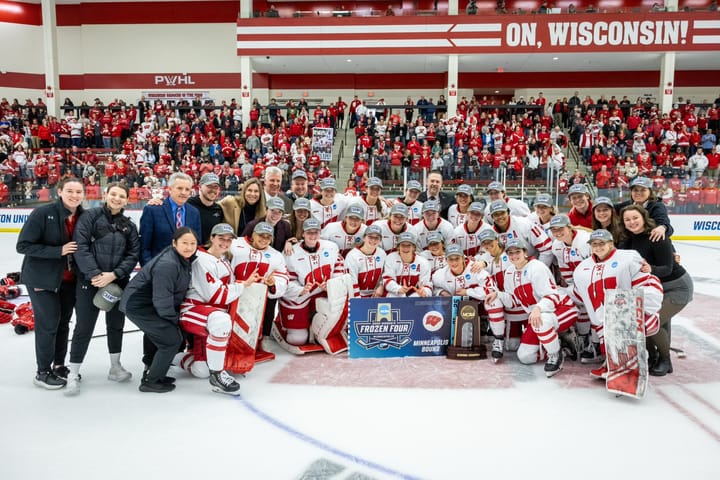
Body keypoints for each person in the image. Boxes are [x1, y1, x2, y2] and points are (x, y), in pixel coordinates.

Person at [64, 182, 140, 396]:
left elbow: (133, 254)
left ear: (127, 200)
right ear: (106, 195)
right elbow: (81, 246)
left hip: (116, 283)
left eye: (121, 196)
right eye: (113, 194)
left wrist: (114, 275)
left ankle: (115, 367)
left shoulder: (129, 225)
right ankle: (73, 373)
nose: (117, 198)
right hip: (90, 282)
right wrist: (95, 274)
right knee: (84, 327)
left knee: (116, 324)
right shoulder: (90, 217)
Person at [16, 177, 85, 389]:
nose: (75, 195)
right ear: (60, 192)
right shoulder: (42, 213)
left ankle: (59, 365)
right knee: (48, 324)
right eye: (70, 191)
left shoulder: (84, 216)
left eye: (79, 192)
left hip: (69, 279)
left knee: (63, 322)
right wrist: (58, 251)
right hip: (42, 279)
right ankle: (42, 371)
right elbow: (23, 245)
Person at [176, 223, 260, 394]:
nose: (225, 242)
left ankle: (181, 359)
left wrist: (242, 284)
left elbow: (225, 291)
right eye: (221, 238)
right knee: (221, 321)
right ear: (212, 238)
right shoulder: (202, 259)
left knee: (201, 370)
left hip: (212, 312)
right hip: (193, 309)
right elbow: (216, 296)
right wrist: (242, 285)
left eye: (229, 240)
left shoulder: (223, 258)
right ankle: (217, 374)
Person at [571, 229, 663, 379]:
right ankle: (613, 363)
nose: (598, 247)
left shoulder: (629, 257)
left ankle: (634, 358)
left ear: (611, 243)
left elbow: (646, 281)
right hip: (602, 325)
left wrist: (633, 303)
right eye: (594, 244)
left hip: (630, 317)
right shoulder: (582, 268)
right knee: (610, 352)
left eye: (602, 243)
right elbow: (578, 294)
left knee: (622, 341)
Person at [120, 227, 198, 393]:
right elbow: (162, 300)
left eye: (193, 243)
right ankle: (151, 381)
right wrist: (174, 320)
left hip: (151, 304)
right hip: (138, 305)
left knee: (163, 335)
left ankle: (156, 373)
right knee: (170, 339)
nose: (189, 247)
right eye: (184, 243)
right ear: (174, 243)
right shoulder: (168, 264)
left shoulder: (182, 259)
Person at [485, 239, 578, 377]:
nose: (514, 255)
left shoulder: (537, 267)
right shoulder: (509, 272)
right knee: (525, 356)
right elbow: (513, 301)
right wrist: (498, 294)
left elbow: (552, 296)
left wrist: (538, 308)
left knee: (543, 322)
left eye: (518, 252)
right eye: (510, 253)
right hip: (538, 315)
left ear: (525, 252)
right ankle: (561, 345)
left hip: (561, 307)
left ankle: (555, 355)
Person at [619, 205, 693, 376]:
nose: (632, 222)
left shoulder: (657, 236)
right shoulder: (628, 241)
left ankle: (665, 359)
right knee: (652, 323)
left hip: (676, 287)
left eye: (635, 218)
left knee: (652, 323)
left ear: (644, 217)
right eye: (627, 219)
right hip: (654, 289)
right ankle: (653, 356)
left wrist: (649, 268)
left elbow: (667, 268)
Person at [274, 218, 349, 352]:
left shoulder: (331, 247)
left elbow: (339, 268)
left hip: (324, 292)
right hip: (300, 296)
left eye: (315, 232)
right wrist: (300, 290)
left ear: (320, 234)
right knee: (297, 339)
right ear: (303, 234)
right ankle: (282, 323)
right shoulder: (291, 253)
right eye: (309, 233)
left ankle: (314, 330)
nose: (312, 236)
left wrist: (331, 285)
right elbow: (286, 279)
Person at [230, 221, 289, 364]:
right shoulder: (234, 245)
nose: (264, 239)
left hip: (257, 299)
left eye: (268, 237)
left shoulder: (275, 256)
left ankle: (253, 346)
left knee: (251, 328)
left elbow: (284, 277)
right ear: (253, 235)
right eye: (261, 235)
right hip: (233, 294)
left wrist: (273, 283)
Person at [139, 172, 201, 266]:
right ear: (170, 189)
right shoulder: (153, 210)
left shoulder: (194, 212)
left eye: (187, 189)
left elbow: (197, 243)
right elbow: (144, 246)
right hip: (158, 269)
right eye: (179, 188)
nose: (184, 192)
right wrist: (149, 271)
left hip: (185, 270)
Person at [487, 200, 554, 267]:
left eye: (502, 213)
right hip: (510, 270)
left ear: (508, 212)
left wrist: (538, 269)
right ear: (492, 217)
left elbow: (547, 248)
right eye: (496, 214)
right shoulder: (490, 233)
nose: (500, 217)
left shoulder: (523, 224)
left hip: (532, 265)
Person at [615, 176, 673, 241]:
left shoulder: (657, 206)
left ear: (650, 192)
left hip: (651, 243)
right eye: (635, 190)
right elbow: (610, 209)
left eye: (643, 190)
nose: (639, 193)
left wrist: (662, 227)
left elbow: (667, 226)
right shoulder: (628, 204)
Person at [382, 232, 433, 297]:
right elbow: (387, 279)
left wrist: (424, 291)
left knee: (417, 297)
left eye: (408, 245)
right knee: (396, 296)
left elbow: (427, 284)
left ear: (414, 247)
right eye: (403, 245)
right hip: (395, 292)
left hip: (415, 294)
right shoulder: (391, 258)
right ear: (398, 247)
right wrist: (399, 289)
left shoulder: (423, 262)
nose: (405, 248)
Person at [345, 224, 387, 298]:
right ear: (364, 238)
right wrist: (358, 301)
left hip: (376, 294)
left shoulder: (382, 253)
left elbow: (386, 274)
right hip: (358, 295)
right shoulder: (352, 256)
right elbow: (352, 283)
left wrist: (381, 285)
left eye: (376, 238)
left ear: (380, 240)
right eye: (370, 237)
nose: (373, 240)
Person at [187, 172, 224, 244]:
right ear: (200, 187)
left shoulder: (219, 209)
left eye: (216, 187)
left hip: (209, 252)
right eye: (209, 186)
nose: (213, 190)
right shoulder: (189, 204)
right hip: (191, 251)